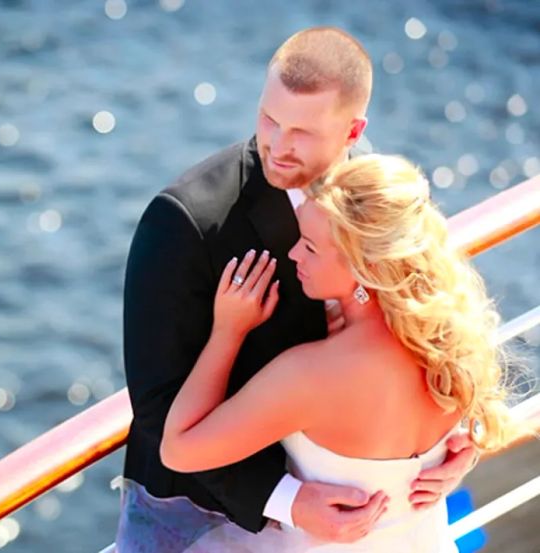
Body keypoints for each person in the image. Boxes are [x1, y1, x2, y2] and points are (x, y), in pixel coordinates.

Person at [116, 27, 478, 551]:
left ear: (354, 131)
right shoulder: (186, 222)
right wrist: (284, 498)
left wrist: (454, 444)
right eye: (269, 118)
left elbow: (434, 316)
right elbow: (156, 409)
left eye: (304, 132)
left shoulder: (376, 198)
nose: (279, 146)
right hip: (221, 521)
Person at [160, 154, 523, 551]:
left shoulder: (311, 374)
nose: (294, 254)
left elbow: (179, 449)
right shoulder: (447, 339)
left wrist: (227, 332)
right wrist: (461, 456)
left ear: (363, 266)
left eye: (311, 247)